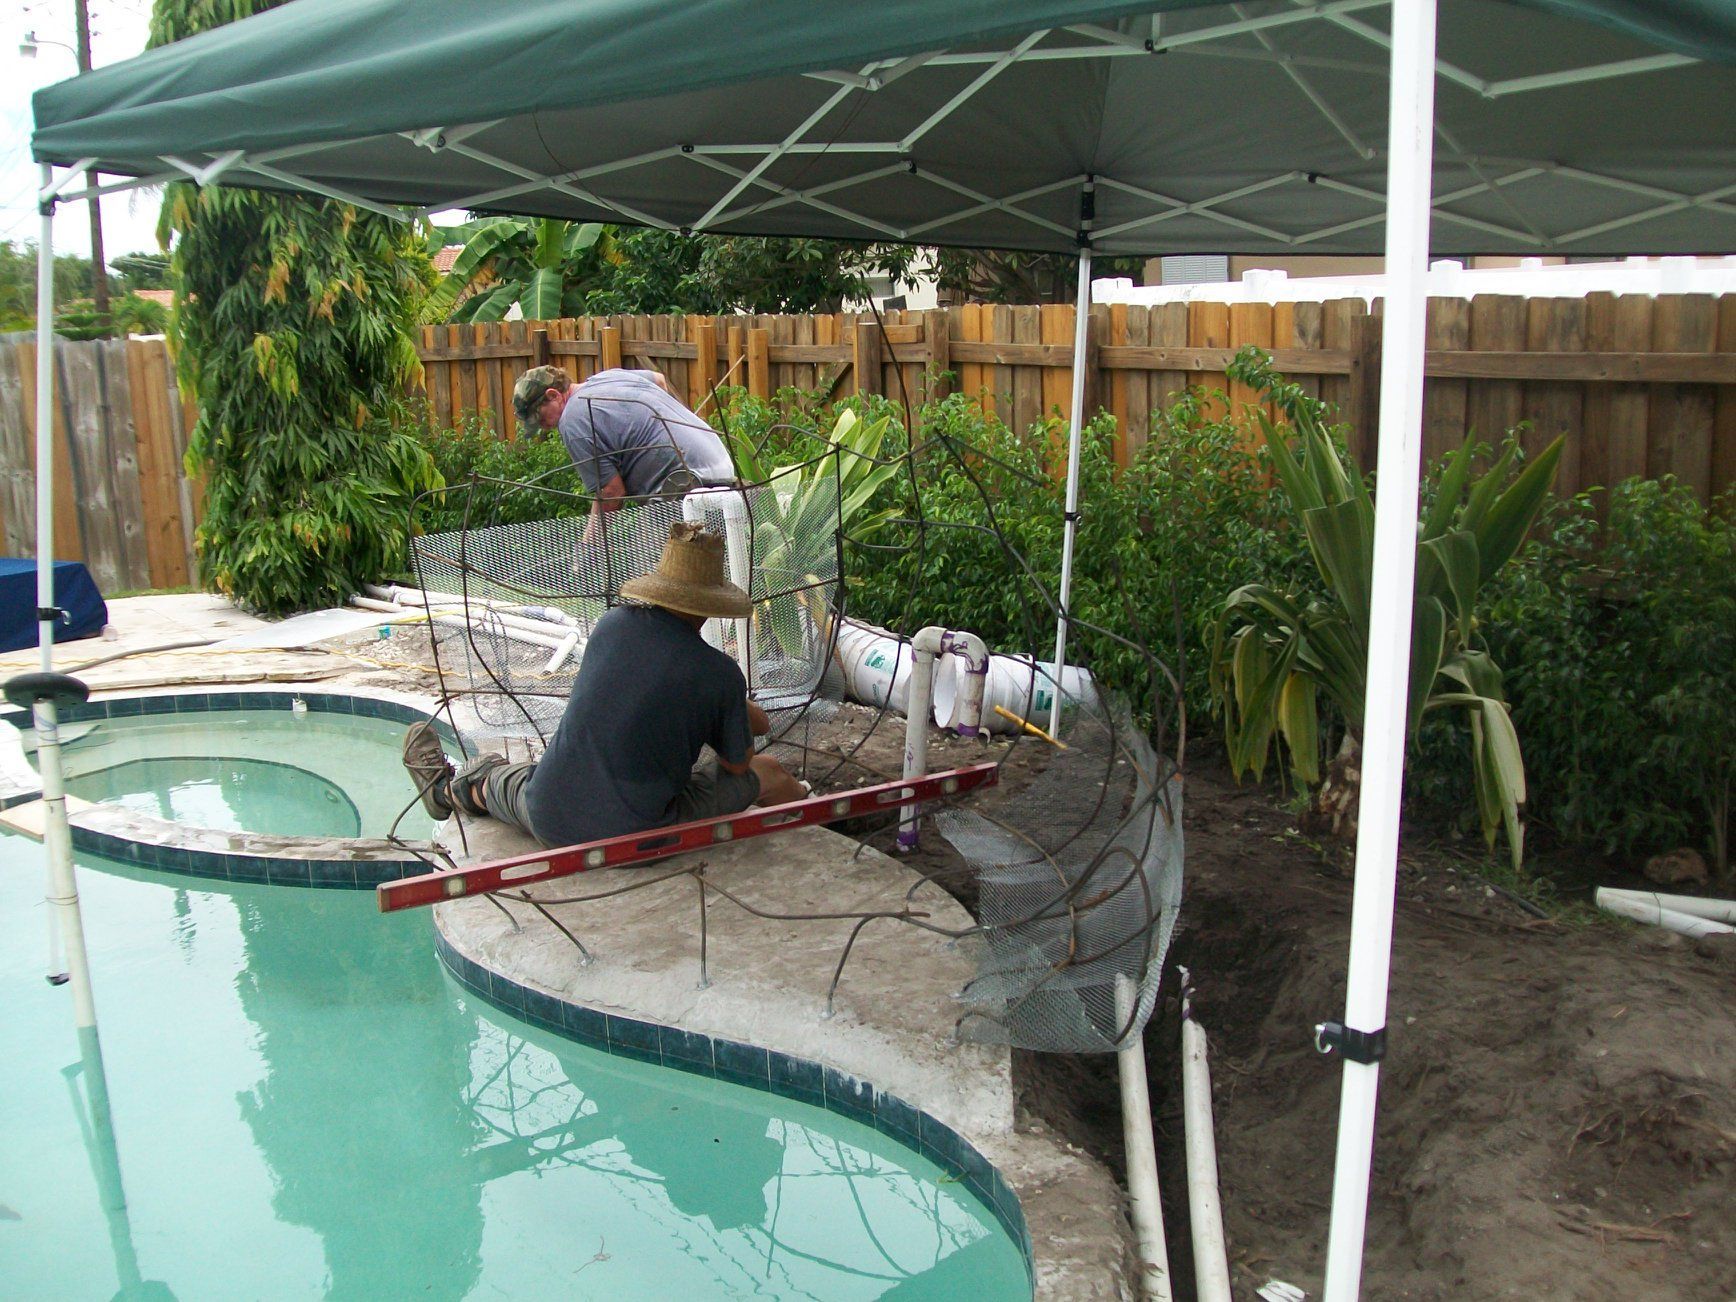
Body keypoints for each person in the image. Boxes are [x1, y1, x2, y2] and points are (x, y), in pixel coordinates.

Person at [402, 522, 806, 849]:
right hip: (633, 837)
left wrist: (730, 703)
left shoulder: (612, 625)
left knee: (500, 783)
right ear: (713, 605)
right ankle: (813, 828)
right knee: (766, 772)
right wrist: (734, 707)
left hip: (549, 814)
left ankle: (448, 792)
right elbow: (735, 765)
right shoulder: (717, 674)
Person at [511, 365, 736, 546]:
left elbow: (611, 492)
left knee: (654, 582)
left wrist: (588, 547)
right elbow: (658, 379)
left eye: (539, 419)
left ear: (553, 395)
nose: (543, 427)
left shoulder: (572, 420)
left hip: (683, 484)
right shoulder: (609, 378)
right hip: (721, 465)